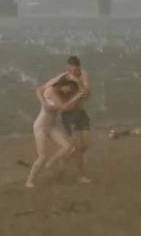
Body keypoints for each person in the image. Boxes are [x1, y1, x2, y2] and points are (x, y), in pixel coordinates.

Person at [26, 78, 86, 188]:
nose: (69, 91)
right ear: (63, 84)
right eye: (69, 88)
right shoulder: (50, 91)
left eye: (71, 90)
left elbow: (70, 107)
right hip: (40, 127)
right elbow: (62, 107)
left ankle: (51, 162)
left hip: (50, 126)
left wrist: (79, 94)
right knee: (42, 157)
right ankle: (30, 181)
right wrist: (78, 95)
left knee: (67, 146)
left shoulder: (62, 96)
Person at [54, 56, 92, 184]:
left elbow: (87, 92)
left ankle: (64, 159)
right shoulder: (62, 79)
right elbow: (50, 90)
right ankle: (81, 175)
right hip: (69, 115)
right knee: (78, 147)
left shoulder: (83, 75)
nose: (73, 73)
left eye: (76, 70)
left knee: (85, 146)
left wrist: (77, 81)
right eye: (71, 70)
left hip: (81, 113)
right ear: (67, 68)